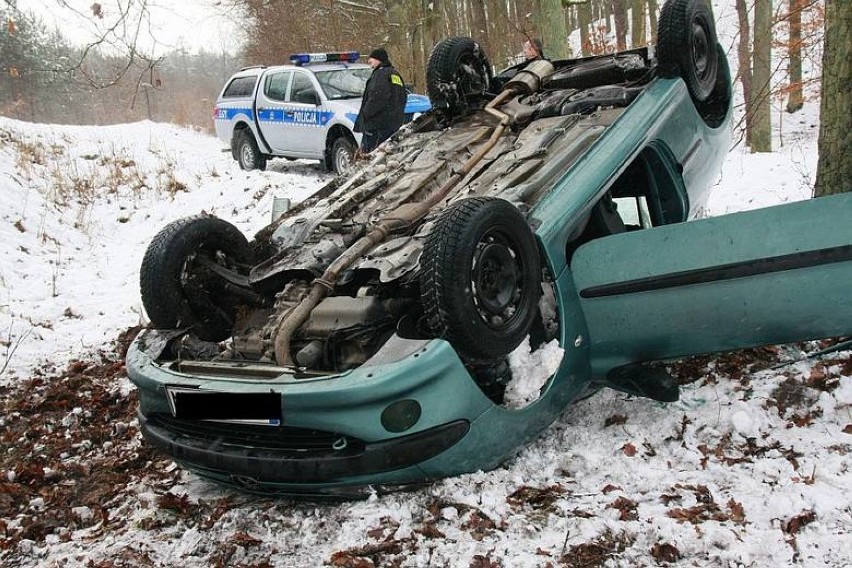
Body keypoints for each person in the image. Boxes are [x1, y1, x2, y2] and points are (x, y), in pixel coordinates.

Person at [354, 47, 407, 154]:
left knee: (370, 157)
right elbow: (403, 96)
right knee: (388, 155)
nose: (369, 61)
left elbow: (377, 98)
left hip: (377, 126)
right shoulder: (394, 74)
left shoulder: (380, 75)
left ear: (379, 59)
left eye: (371, 58)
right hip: (393, 124)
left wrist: (366, 114)